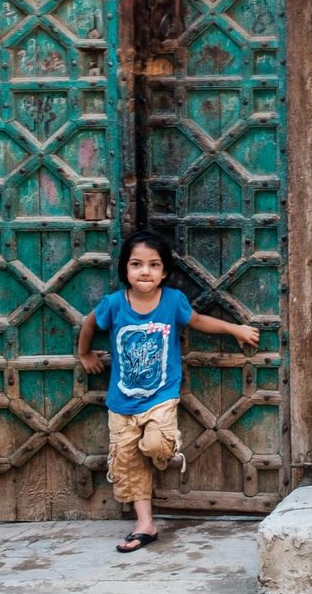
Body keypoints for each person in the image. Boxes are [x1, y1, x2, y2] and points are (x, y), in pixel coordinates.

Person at [76, 228, 259, 553]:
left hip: (160, 396)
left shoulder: (172, 301)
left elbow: (199, 320)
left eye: (153, 265)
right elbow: (89, 325)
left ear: (163, 272)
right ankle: (145, 524)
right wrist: (85, 354)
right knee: (127, 466)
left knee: (157, 445)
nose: (144, 271)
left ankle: (158, 459)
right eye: (136, 264)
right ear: (125, 270)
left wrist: (234, 329)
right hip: (121, 402)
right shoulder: (115, 304)